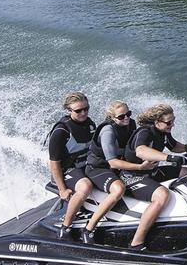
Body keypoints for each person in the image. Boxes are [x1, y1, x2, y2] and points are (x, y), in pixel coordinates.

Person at [79, 100, 155, 244]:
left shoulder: (130, 124)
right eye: (121, 117)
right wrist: (139, 167)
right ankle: (88, 229)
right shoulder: (108, 131)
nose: (126, 118)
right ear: (112, 118)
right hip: (98, 168)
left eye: (128, 114)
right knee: (118, 189)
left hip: (117, 166)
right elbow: (112, 162)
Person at [119, 103, 187, 251]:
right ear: (157, 121)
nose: (172, 124)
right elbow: (141, 151)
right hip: (131, 176)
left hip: (151, 172)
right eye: (169, 122)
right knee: (162, 195)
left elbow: (173, 146)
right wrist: (168, 158)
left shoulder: (164, 132)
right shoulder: (145, 132)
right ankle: (136, 243)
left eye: (173, 120)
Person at [46, 91, 96, 239]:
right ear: (69, 110)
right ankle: (65, 227)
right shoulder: (61, 131)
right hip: (67, 170)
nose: (83, 113)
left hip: (85, 166)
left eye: (86, 109)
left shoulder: (90, 124)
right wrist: (62, 189)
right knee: (85, 186)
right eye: (78, 110)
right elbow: (54, 163)